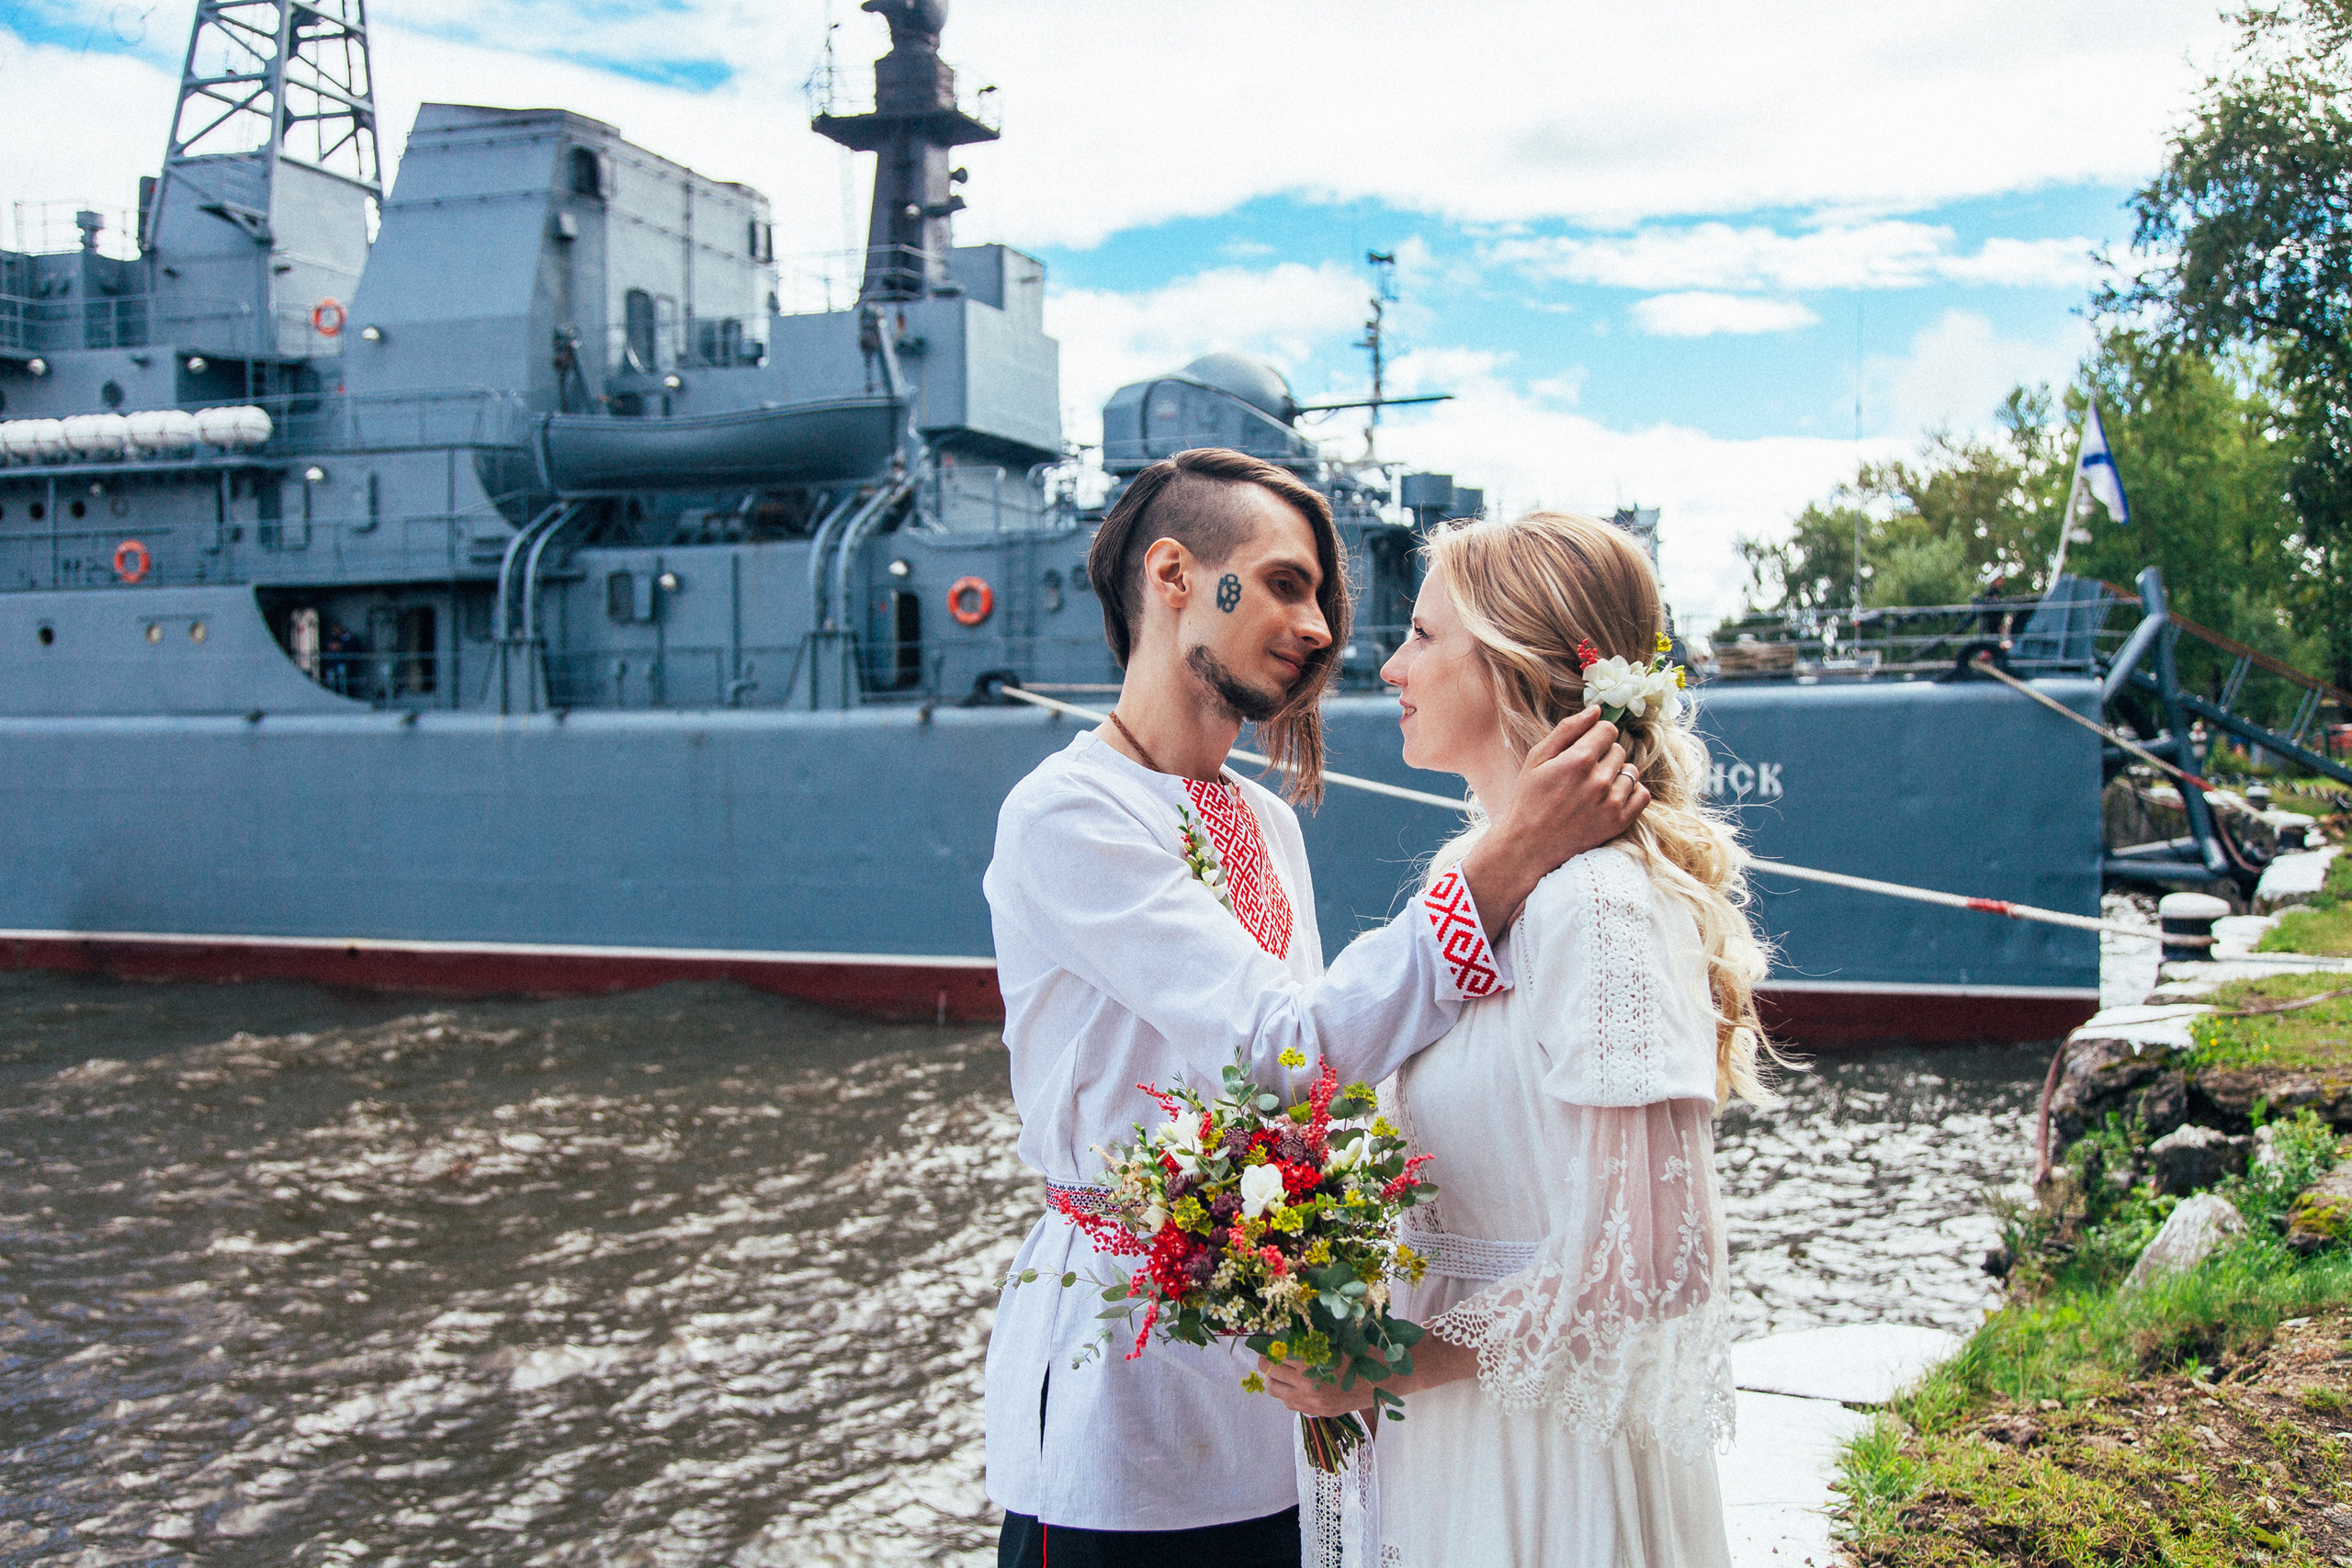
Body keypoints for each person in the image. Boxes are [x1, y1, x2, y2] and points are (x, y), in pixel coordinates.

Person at [982, 451, 1651, 1568]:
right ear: (1174, 575)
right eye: (1287, 584)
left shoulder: (1266, 821)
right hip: (1128, 1403)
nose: (1323, 629)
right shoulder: (1066, 812)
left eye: (1324, 600)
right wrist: (1505, 860)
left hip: (1293, 1381)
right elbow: (1279, 1049)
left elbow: (1316, 1088)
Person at [1260, 510, 1781, 1566]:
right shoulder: (1484, 882)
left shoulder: (1594, 905)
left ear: (1507, 664)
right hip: (1454, 1443)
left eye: (1422, 635)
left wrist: (1383, 1362)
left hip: (1543, 1469)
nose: (1390, 664)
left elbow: (1646, 1268)